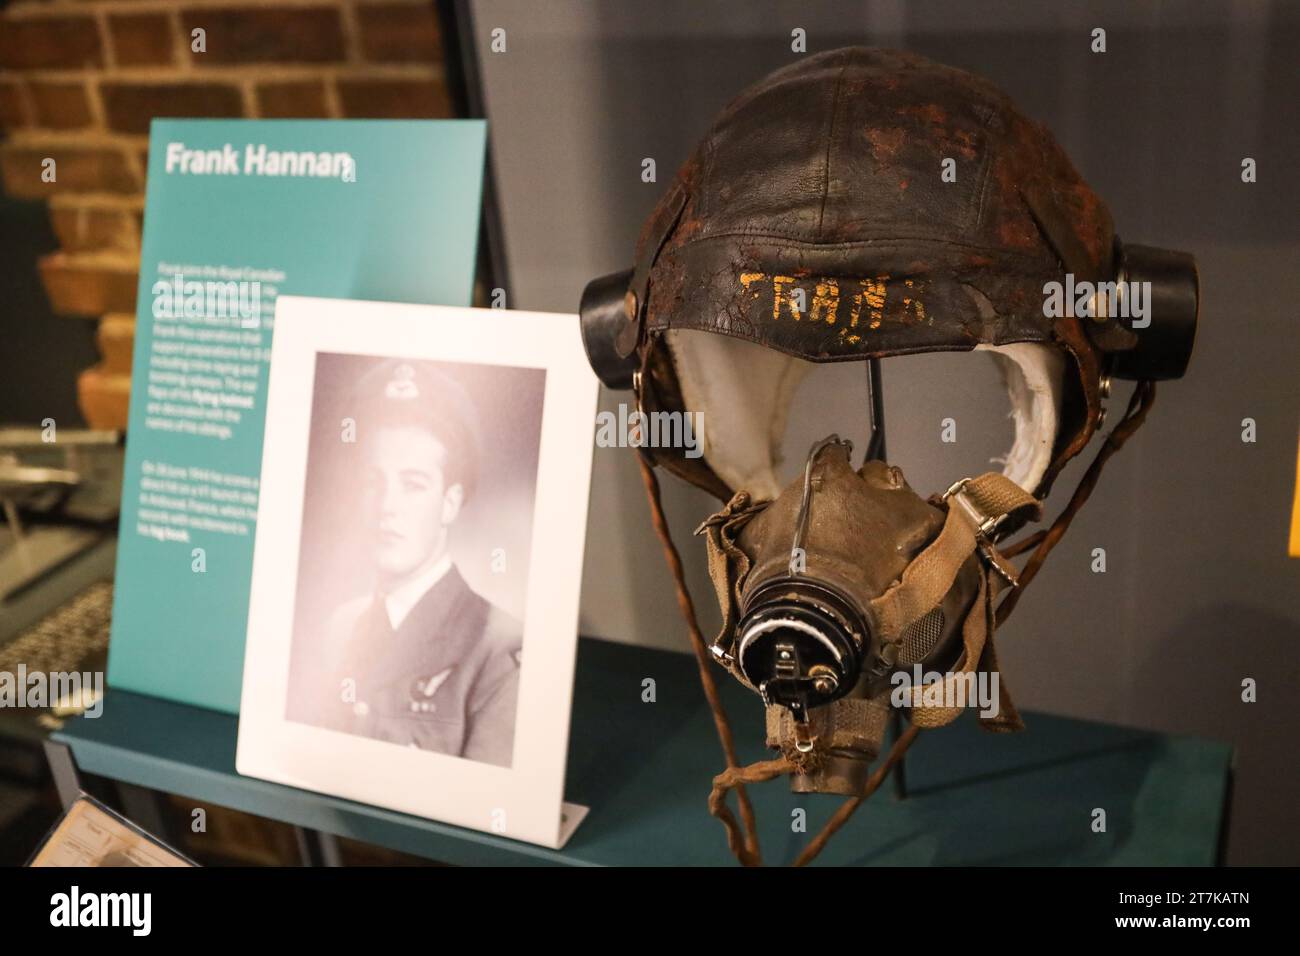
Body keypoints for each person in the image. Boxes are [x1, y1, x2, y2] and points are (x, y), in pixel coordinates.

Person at [317, 359, 520, 767]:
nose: (387, 507)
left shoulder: (498, 648)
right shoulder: (341, 628)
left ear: (450, 502)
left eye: (413, 485)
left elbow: (481, 811)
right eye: (374, 482)